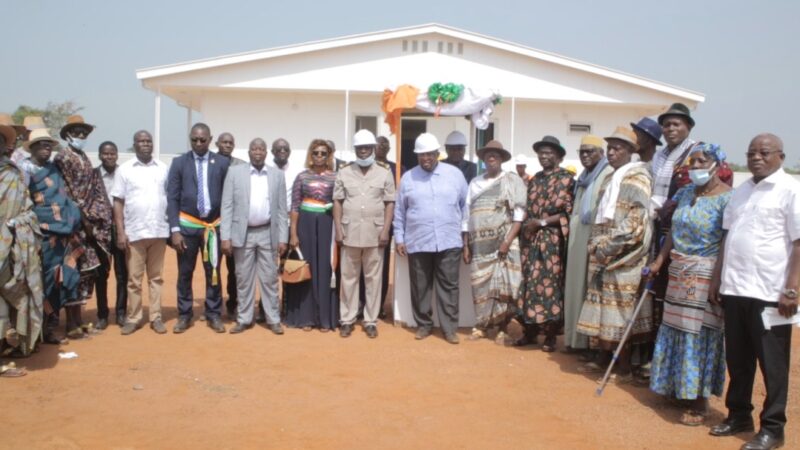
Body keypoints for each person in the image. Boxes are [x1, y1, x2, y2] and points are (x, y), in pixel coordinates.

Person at [709, 134, 798, 450]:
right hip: (736, 288)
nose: (756, 157)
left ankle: (773, 429)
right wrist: (717, 278)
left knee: (772, 364)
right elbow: (728, 236)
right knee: (739, 358)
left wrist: (792, 288)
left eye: (764, 152)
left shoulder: (790, 190)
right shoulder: (742, 191)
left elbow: (799, 243)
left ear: (780, 156)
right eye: (751, 153)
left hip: (771, 293)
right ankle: (738, 415)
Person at [645, 143, 731, 426]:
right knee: (674, 329)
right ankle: (676, 389)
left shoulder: (727, 200)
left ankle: (699, 400)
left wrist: (718, 278)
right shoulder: (684, 193)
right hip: (678, 272)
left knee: (698, 334)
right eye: (692, 163)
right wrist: (659, 260)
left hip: (706, 273)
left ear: (717, 165)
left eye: (701, 162)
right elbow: (673, 232)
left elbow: (726, 242)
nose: (695, 168)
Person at [576, 126, 653, 383]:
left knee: (621, 310)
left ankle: (623, 369)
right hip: (602, 250)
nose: (612, 152)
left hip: (623, 255)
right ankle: (603, 358)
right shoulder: (611, 178)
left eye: (618, 148)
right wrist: (598, 244)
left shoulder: (637, 177)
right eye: (610, 147)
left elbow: (635, 220)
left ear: (631, 151)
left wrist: (609, 245)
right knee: (602, 309)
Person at [394, 133, 467, 344]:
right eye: (421, 154)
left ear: (437, 153)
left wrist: (464, 237)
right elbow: (400, 211)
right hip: (418, 240)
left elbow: (465, 207)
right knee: (420, 286)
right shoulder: (408, 178)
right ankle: (424, 325)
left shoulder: (454, 175)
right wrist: (400, 238)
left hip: (449, 240)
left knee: (449, 287)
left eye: (429, 154)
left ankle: (449, 329)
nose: (425, 158)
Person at [167, 123, 230, 334]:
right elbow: (172, 198)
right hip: (187, 227)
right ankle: (184, 314)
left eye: (203, 139)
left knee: (213, 271)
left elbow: (228, 198)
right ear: (190, 139)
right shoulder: (178, 163)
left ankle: (213, 314)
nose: (199, 143)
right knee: (185, 273)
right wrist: (175, 230)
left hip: (213, 227)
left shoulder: (221, 162)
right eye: (194, 139)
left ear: (210, 139)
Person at [221, 138, 288, 335]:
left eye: (261, 149)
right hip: (243, 233)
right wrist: (226, 236)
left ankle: (273, 318)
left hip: (268, 232)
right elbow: (227, 206)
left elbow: (282, 209)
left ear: (267, 153)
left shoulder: (276, 175)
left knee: (269, 278)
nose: (257, 152)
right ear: (248, 152)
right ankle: (244, 318)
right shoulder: (235, 173)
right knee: (243, 278)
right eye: (254, 149)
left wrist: (283, 237)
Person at [54, 115, 112, 339]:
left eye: (84, 133)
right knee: (72, 273)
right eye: (77, 132)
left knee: (85, 274)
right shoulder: (63, 158)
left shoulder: (83, 157)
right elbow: (67, 193)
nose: (81, 136)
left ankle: (78, 321)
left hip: (89, 226)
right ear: (68, 134)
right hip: (73, 225)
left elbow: (93, 189)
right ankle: (70, 324)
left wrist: (94, 218)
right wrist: (83, 220)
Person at [515, 135, 575, 352]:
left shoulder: (567, 179)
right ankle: (529, 332)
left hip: (551, 240)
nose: (544, 156)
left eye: (549, 152)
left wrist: (541, 222)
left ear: (558, 156)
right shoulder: (535, 179)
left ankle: (550, 335)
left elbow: (567, 213)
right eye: (541, 152)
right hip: (529, 240)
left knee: (550, 286)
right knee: (529, 285)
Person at [462, 140, 525, 344]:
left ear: (501, 159)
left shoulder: (511, 181)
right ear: (483, 159)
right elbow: (466, 215)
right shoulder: (475, 183)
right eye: (488, 155)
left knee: (504, 287)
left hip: (503, 244)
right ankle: (481, 326)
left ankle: (502, 328)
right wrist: (465, 244)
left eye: (495, 155)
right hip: (479, 245)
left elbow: (519, 216)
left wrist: (507, 241)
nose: (491, 158)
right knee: (479, 285)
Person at [333, 130, 395, 338]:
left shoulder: (385, 172)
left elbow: (389, 204)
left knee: (373, 279)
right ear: (355, 150)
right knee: (348, 278)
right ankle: (347, 319)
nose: (363, 152)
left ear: (373, 149)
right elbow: (338, 202)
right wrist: (339, 229)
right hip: (350, 232)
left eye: (367, 148)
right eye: (359, 148)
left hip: (375, 233)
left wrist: (386, 230)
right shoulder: (344, 171)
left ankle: (370, 320)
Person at [24, 128, 82, 345]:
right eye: (42, 144)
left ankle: (49, 329)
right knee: (35, 285)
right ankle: (31, 334)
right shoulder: (24, 171)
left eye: (49, 145)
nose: (46, 148)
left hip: (61, 237)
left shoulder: (54, 170)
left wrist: (71, 218)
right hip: (36, 237)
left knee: (57, 282)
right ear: (32, 148)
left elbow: (63, 199)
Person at [111, 130, 170, 335]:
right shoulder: (125, 170)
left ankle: (156, 317)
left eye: (148, 141)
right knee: (133, 280)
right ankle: (133, 317)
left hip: (158, 231)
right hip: (134, 233)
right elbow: (118, 201)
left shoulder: (163, 168)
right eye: (141, 141)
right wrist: (120, 231)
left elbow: (169, 197)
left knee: (156, 278)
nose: (145, 144)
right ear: (134, 145)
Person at [563, 135, 613, 353]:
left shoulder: (607, 174)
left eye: (590, 151)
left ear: (601, 153)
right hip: (577, 234)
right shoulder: (584, 176)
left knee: (588, 287)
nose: (585, 155)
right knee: (574, 287)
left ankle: (588, 343)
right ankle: (574, 339)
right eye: (581, 151)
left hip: (594, 235)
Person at [284, 139, 339, 331]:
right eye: (316, 152)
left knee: (324, 269)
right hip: (305, 224)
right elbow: (294, 206)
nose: (319, 156)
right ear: (310, 154)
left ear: (329, 155)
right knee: (306, 269)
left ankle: (324, 318)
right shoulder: (301, 177)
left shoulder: (335, 177)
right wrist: (293, 234)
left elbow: (340, 203)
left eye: (324, 153)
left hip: (326, 224)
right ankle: (306, 317)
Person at [0, 122, 43, 363]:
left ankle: (16, 344)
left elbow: (28, 210)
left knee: (15, 297)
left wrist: (17, 223)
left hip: (11, 247)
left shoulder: (12, 174)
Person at [94, 141, 128, 329]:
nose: (109, 156)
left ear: (117, 155)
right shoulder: (93, 175)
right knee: (101, 275)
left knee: (122, 274)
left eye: (112, 153)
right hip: (100, 233)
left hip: (120, 230)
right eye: (105, 153)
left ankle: (121, 313)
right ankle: (102, 314)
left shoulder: (124, 174)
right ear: (100, 155)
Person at [215, 132, 244, 320]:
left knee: (234, 268)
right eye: (224, 142)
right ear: (217, 143)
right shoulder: (209, 162)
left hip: (233, 225)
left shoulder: (240, 165)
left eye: (230, 143)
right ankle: (214, 306)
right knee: (213, 267)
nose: (227, 145)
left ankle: (233, 304)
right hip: (211, 224)